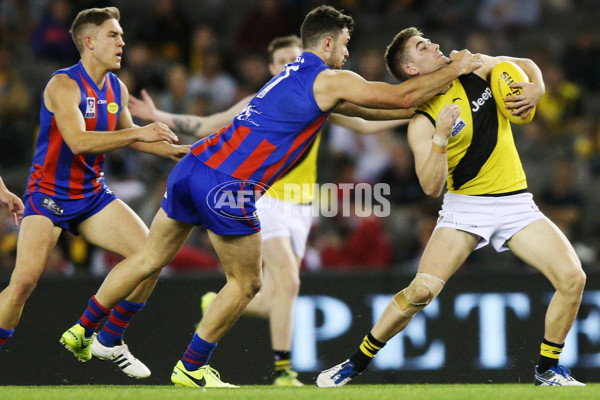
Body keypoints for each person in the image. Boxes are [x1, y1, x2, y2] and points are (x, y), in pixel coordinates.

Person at [62, 5, 483, 388]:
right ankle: (192, 365)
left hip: (192, 167)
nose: (348, 55)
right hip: (230, 185)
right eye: (346, 46)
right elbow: (401, 94)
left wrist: (423, 107)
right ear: (329, 42)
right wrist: (456, 69)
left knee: (149, 258)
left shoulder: (292, 75)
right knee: (247, 282)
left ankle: (83, 328)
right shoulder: (329, 76)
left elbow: (373, 109)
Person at [129, 34, 412, 386]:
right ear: (272, 67)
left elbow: (365, 122)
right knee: (287, 284)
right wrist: (160, 115)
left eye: (293, 58)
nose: (287, 66)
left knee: (270, 292)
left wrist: (412, 114)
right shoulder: (262, 99)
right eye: (281, 62)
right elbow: (207, 124)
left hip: (303, 204)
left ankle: (214, 306)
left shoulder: (322, 95)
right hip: (266, 198)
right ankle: (283, 371)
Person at [316, 27, 586, 388]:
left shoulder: (475, 66)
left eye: (430, 41)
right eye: (423, 47)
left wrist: (537, 86)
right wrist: (442, 137)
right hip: (466, 208)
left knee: (573, 279)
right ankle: (355, 363)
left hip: (516, 202)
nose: (436, 46)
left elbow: (522, 63)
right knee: (421, 292)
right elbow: (431, 187)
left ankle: (547, 369)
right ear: (412, 69)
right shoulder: (422, 121)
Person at [0, 7, 188, 380]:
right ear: (89, 42)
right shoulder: (62, 85)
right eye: (113, 36)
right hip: (49, 195)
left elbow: (136, 138)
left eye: (121, 35)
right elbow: (80, 142)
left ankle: (110, 338)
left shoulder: (116, 88)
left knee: (151, 257)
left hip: (91, 195)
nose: (122, 42)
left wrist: (186, 153)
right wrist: (139, 133)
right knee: (23, 282)